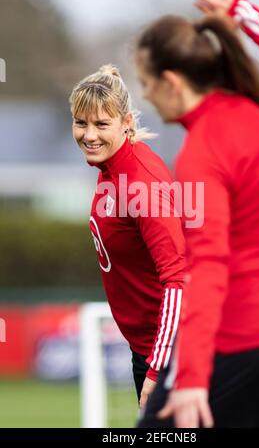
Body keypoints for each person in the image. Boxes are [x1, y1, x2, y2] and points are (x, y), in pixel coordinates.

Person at [135, 0, 259, 428]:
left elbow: (207, 266)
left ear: (172, 81)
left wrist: (191, 377)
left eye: (147, 83)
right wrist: (242, 9)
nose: (145, 95)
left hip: (237, 344)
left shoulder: (203, 153)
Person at [69, 65, 186, 408]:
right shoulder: (110, 166)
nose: (89, 135)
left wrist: (157, 368)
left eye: (101, 124)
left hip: (172, 354)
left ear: (127, 123)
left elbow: (178, 278)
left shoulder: (141, 185)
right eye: (81, 123)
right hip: (150, 350)